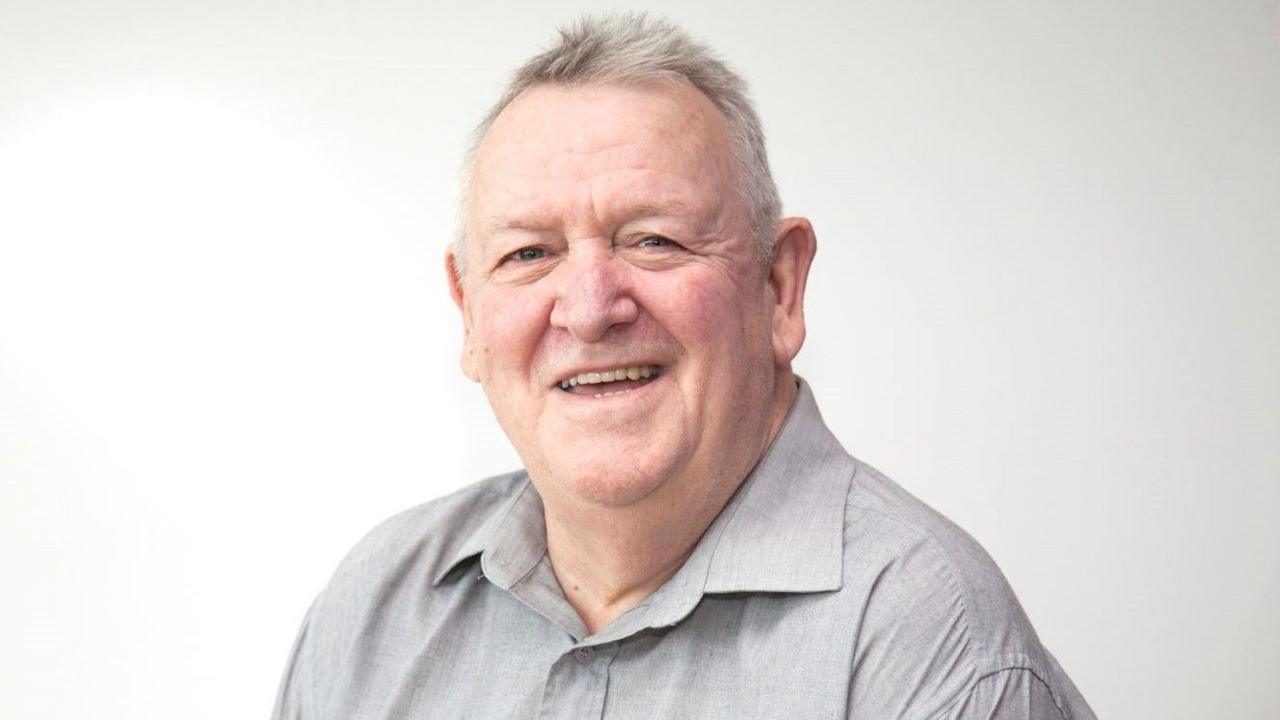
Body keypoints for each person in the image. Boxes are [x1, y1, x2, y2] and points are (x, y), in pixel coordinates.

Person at [272, 13, 1095, 719]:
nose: (590, 309)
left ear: (779, 287)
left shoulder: (928, 640)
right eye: (530, 253)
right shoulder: (375, 608)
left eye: (653, 240)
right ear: (469, 315)